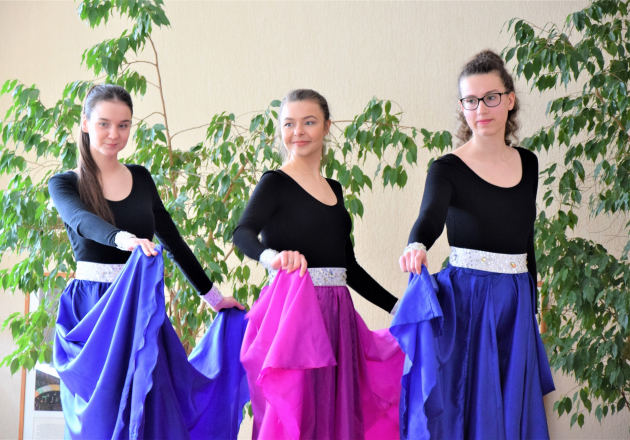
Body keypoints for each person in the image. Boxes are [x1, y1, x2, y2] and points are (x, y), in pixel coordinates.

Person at [49, 84, 247, 440]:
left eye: (123, 125)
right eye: (104, 124)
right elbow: (81, 220)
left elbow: (174, 242)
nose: (114, 134)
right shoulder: (64, 183)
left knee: (153, 414)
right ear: (85, 124)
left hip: (141, 310)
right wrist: (124, 239)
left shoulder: (140, 178)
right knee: (102, 422)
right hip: (93, 312)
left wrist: (214, 298)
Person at [395, 50, 555, 439]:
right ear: (462, 107)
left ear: (510, 99)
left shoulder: (529, 163)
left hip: (516, 303)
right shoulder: (447, 168)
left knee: (512, 412)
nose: (480, 109)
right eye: (470, 100)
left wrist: (534, 306)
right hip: (468, 304)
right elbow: (429, 217)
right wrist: (416, 244)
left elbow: (526, 237)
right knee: (467, 412)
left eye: (490, 98)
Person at [234, 89, 404, 440]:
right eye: (289, 124)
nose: (298, 131)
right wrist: (272, 258)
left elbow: (348, 267)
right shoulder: (275, 183)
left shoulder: (335, 189)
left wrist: (398, 307)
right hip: (295, 314)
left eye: (308, 122)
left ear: (327, 126)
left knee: (336, 416)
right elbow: (243, 233)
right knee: (297, 416)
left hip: (338, 318)